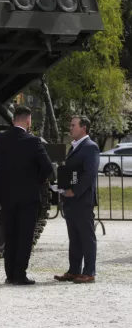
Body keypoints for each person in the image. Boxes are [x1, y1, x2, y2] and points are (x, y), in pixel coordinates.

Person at [0, 105, 54, 285]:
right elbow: (48, 167)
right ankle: (19, 274)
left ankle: (10, 274)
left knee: (10, 235)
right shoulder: (33, 142)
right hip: (28, 196)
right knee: (25, 236)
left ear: (13, 120)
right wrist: (36, 180)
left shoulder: (0, 139)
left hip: (8, 195)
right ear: (28, 121)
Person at [54, 115, 100, 284]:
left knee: (86, 237)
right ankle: (74, 270)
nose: (70, 127)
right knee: (74, 237)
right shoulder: (74, 147)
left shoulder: (90, 147)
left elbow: (90, 174)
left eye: (73, 125)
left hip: (82, 199)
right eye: (70, 125)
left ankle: (89, 272)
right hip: (71, 199)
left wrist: (75, 191)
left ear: (83, 128)